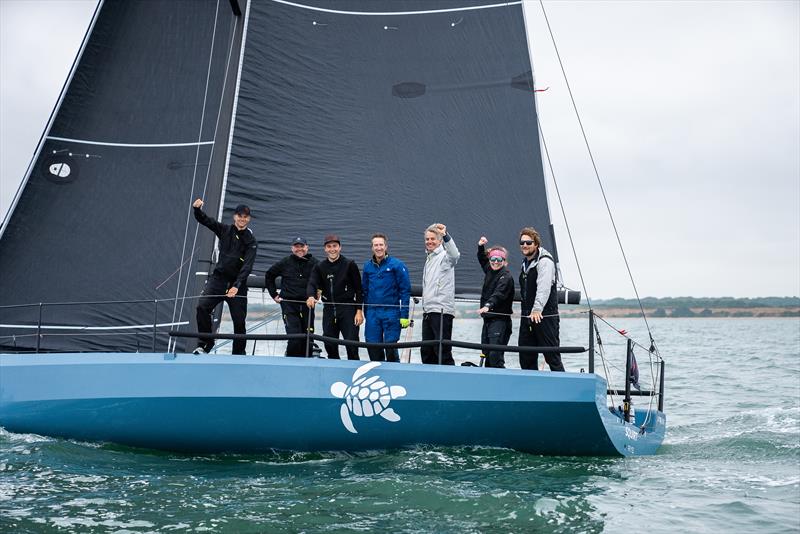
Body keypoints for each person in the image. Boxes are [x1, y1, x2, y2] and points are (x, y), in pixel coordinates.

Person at [192, 199, 257, 355]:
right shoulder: (225, 230)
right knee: (202, 307)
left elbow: (247, 265)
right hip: (218, 280)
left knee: (239, 321)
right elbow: (205, 220)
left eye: (246, 216)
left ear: (249, 219)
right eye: (240, 215)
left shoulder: (251, 241)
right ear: (234, 216)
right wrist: (197, 210)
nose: (242, 219)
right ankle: (206, 344)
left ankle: (238, 353)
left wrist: (236, 285)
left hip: (238, 285)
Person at [306, 234, 364, 360]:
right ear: (325, 249)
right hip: (329, 309)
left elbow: (359, 289)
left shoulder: (349, 264)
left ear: (340, 247)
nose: (332, 249)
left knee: (352, 344)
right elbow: (312, 283)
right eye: (329, 246)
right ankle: (335, 371)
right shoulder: (320, 266)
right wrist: (310, 296)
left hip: (348, 309)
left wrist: (359, 311)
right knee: (329, 343)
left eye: (335, 246)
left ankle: (353, 372)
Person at [518, 227, 564, 371]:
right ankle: (531, 390)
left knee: (552, 357)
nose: (525, 245)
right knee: (526, 357)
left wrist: (537, 309)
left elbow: (543, 287)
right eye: (522, 242)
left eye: (529, 242)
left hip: (544, 317)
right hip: (528, 317)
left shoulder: (545, 261)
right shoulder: (525, 263)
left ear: (536, 244)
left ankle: (562, 388)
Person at [265, 237, 318, 357]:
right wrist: (274, 294)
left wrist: (318, 292)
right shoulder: (285, 262)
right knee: (295, 338)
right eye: (296, 246)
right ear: (292, 248)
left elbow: (322, 279)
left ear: (307, 247)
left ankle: (307, 366)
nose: (299, 249)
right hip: (289, 305)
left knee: (308, 340)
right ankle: (291, 364)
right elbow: (269, 275)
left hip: (308, 305)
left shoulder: (315, 263)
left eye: (302, 246)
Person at [361, 233, 411, 362]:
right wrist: (365, 312)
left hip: (391, 312)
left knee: (390, 347)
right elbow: (364, 291)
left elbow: (405, 291)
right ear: (372, 248)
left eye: (381, 245)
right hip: (372, 312)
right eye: (375, 245)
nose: (378, 248)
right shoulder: (367, 266)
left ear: (386, 246)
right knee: (372, 346)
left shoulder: (397, 265)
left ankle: (395, 375)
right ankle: (377, 375)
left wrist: (404, 315)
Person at [421, 223, 460, 365]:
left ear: (439, 241)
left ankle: (449, 381)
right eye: (427, 239)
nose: (429, 242)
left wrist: (445, 234)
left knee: (442, 351)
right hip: (428, 311)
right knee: (426, 351)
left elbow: (455, 255)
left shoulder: (445, 257)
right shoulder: (429, 258)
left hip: (442, 311)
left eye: (433, 239)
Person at [476, 238, 515, 368]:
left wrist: (487, 306)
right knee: (486, 353)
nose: (495, 262)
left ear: (504, 262)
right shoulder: (489, 269)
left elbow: (499, 294)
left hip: (500, 321)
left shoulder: (506, 276)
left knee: (495, 356)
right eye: (493, 259)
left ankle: (502, 384)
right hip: (488, 320)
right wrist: (481, 246)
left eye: (499, 260)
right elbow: (482, 259)